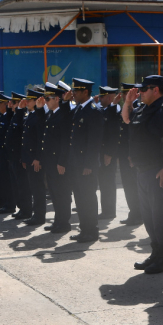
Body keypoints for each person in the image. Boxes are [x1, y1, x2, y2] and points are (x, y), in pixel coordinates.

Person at [122, 75, 163, 273]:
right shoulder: (143, 109)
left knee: (161, 216)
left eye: (144, 89)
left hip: (157, 170)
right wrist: (127, 102)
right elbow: (127, 119)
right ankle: (155, 253)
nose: (140, 92)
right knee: (149, 216)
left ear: (156, 90)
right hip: (143, 170)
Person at [66, 78, 104, 242]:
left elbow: (94, 141)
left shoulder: (94, 110)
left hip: (86, 164)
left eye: (76, 91)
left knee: (88, 197)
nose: (73, 93)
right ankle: (84, 229)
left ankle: (92, 231)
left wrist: (89, 164)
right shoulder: (78, 109)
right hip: (76, 162)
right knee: (79, 198)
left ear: (85, 92)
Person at [41, 81, 73, 233]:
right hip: (50, 162)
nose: (46, 102)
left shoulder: (63, 115)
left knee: (62, 193)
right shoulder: (51, 114)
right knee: (54, 193)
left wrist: (62, 162)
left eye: (48, 99)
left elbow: (65, 141)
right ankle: (58, 220)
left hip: (58, 162)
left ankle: (64, 222)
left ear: (57, 99)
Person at [20, 88, 48, 226]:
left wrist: (38, 158)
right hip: (29, 158)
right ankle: (35, 214)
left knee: (38, 188)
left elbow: (40, 139)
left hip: (35, 159)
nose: (27, 102)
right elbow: (26, 139)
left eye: (30, 100)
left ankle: (39, 216)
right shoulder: (29, 114)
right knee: (33, 187)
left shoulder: (38, 116)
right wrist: (25, 158)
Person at [117, 84, 143, 226]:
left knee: (134, 186)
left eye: (126, 93)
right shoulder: (126, 108)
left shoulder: (137, 109)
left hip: (131, 155)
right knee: (128, 186)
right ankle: (134, 212)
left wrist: (131, 154)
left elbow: (133, 135)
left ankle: (138, 214)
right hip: (124, 154)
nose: (124, 96)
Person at [96, 86, 120, 221]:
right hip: (102, 152)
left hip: (107, 153)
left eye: (102, 97)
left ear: (110, 98)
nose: (100, 99)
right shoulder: (104, 111)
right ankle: (106, 210)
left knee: (108, 182)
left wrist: (109, 153)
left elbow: (113, 135)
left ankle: (110, 211)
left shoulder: (113, 112)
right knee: (104, 182)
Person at [8, 92, 33, 220]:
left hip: (20, 156)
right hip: (14, 155)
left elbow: (20, 134)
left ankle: (26, 209)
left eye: (13, 103)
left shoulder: (23, 115)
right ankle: (22, 208)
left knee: (23, 185)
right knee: (18, 184)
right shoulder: (17, 115)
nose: (10, 105)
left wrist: (19, 110)